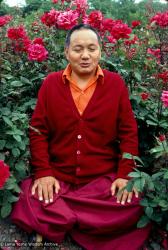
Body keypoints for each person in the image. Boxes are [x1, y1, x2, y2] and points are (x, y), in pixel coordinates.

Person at [11, 24, 151, 250]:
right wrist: (44, 173)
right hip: (60, 178)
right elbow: (38, 131)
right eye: (77, 49)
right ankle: (87, 222)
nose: (85, 55)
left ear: (100, 51)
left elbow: (128, 133)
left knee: (133, 202)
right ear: (66, 52)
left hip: (101, 181)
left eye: (91, 48)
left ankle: (57, 220)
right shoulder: (51, 84)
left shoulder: (115, 84)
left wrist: (125, 175)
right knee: (28, 191)